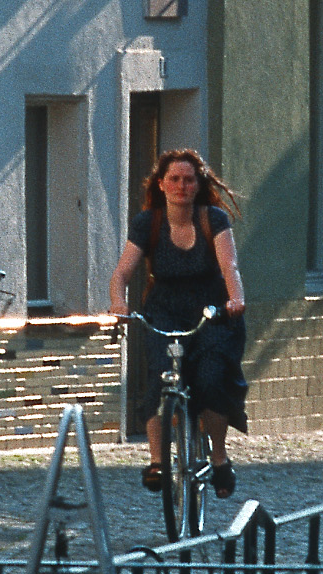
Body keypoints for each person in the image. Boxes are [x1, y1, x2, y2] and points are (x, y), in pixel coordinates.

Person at [106, 148, 252, 496]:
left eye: (189, 180)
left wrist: (236, 299)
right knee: (160, 378)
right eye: (174, 179)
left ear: (198, 184)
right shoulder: (148, 223)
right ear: (161, 184)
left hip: (212, 312)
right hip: (165, 310)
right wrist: (118, 302)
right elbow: (123, 272)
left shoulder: (212, 219)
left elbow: (229, 266)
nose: (181, 186)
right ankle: (157, 462)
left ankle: (218, 458)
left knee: (211, 378)